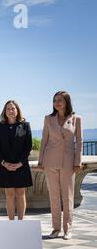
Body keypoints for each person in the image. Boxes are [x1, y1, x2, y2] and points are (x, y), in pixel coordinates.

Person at [38, 91, 83, 240]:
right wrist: (40, 160)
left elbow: (80, 141)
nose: (57, 103)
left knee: (68, 196)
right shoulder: (48, 119)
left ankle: (68, 229)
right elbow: (44, 140)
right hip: (50, 160)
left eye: (60, 100)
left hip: (68, 162)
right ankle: (55, 228)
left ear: (67, 102)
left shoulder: (77, 119)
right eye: (55, 100)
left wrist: (78, 162)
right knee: (54, 196)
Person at [0, 100, 33, 221]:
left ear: (17, 110)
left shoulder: (25, 125)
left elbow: (28, 146)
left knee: (21, 194)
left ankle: (20, 222)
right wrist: (4, 163)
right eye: (8, 109)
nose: (11, 111)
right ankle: (11, 223)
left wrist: (20, 163)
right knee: (9, 195)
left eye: (13, 108)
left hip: (21, 165)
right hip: (5, 165)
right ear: (5, 112)